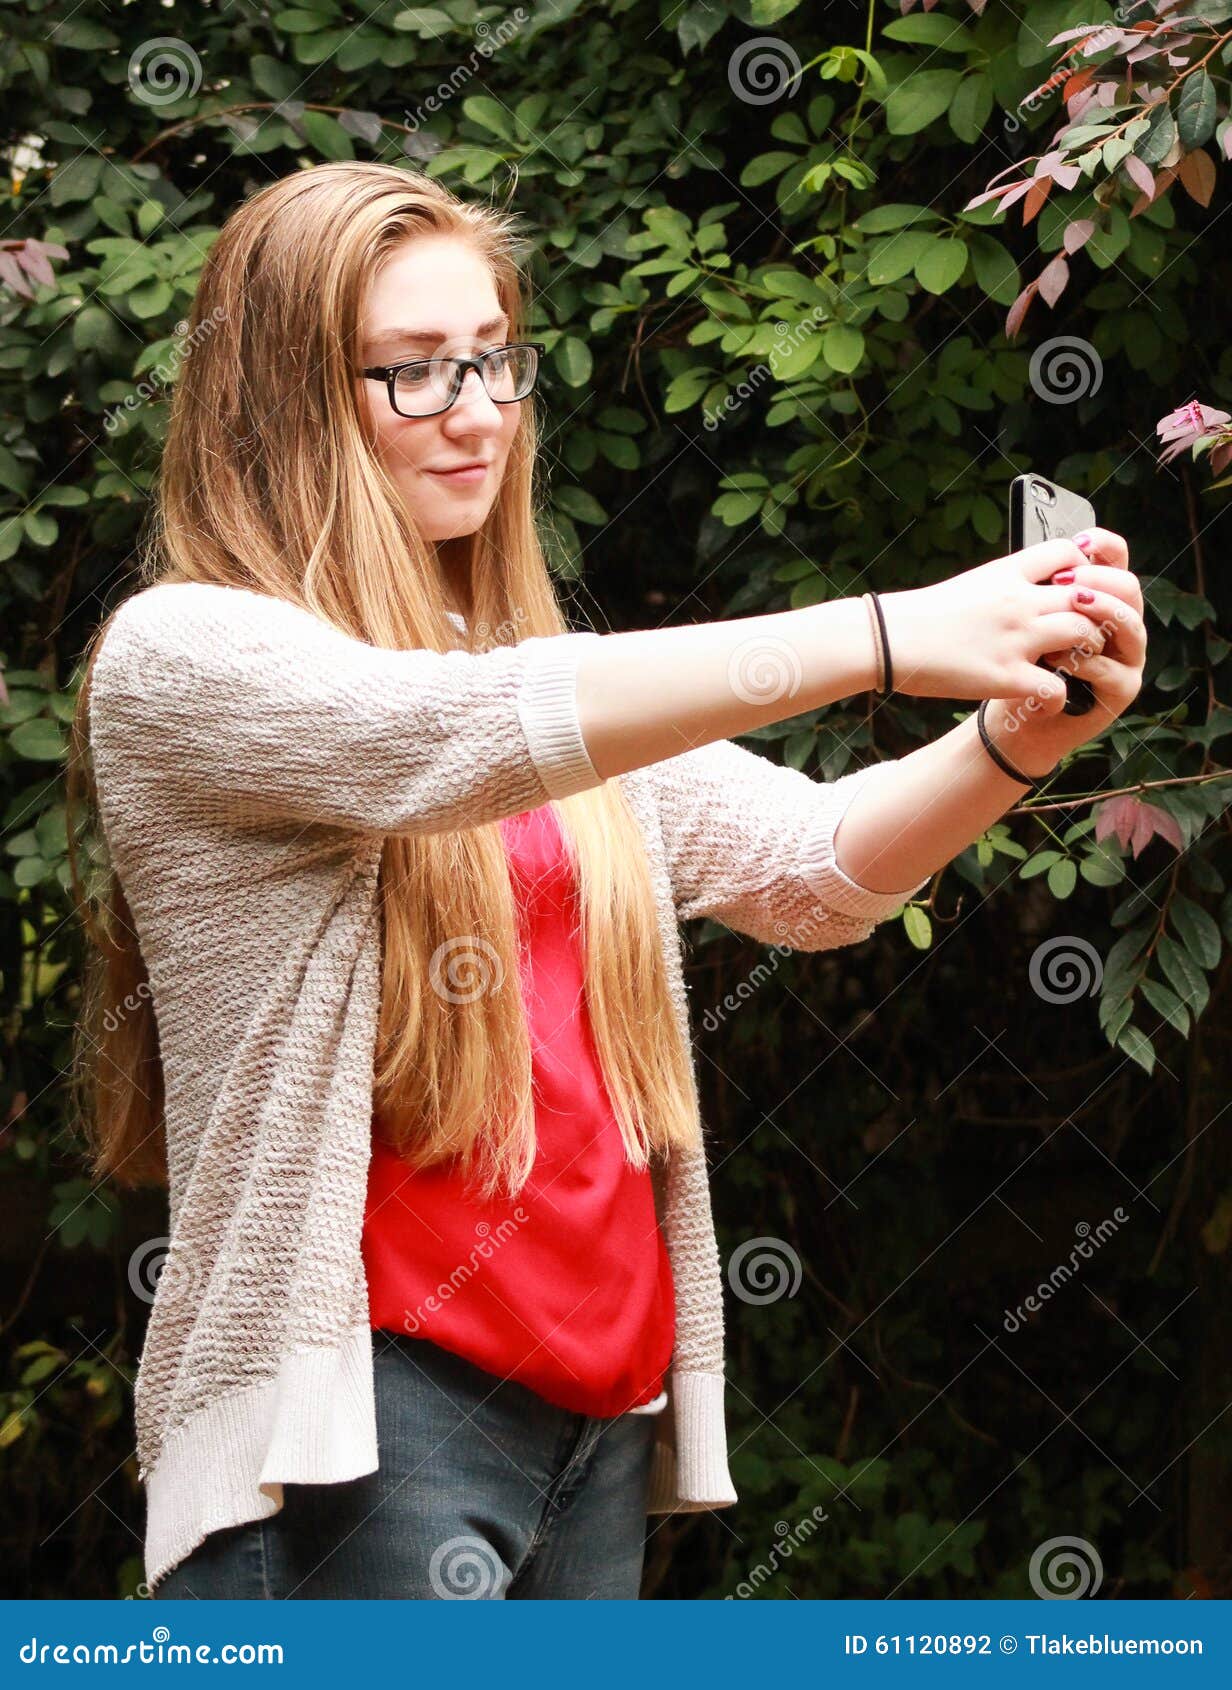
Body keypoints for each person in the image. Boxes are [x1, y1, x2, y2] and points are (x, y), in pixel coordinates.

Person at [69, 161, 1146, 1600]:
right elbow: (442, 740)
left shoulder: (534, 686)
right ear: (286, 403)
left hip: (598, 1420)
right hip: (357, 1431)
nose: (477, 410)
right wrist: (887, 631)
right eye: (409, 372)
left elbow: (809, 874)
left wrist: (1010, 743)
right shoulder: (186, 657)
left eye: (492, 357)